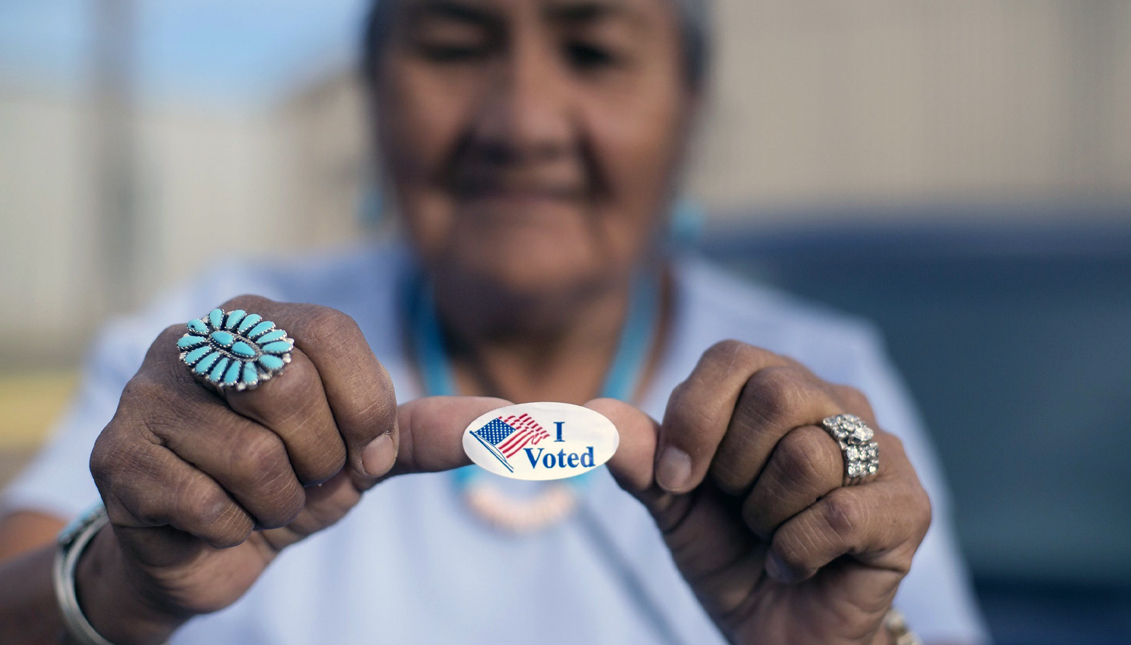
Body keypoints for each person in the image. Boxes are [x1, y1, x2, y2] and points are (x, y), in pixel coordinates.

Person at [0, 0, 989, 643]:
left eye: (593, 51)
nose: (522, 122)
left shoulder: (811, 374)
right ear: (375, 99)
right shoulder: (220, 341)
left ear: (688, 112)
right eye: (454, 46)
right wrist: (127, 582)